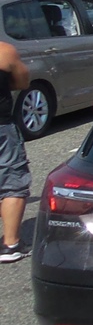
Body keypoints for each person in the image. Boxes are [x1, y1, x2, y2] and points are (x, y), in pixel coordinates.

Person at [0, 40, 31, 262]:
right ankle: (11, 244)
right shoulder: (4, 51)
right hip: (1, 126)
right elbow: (22, 82)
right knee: (12, 182)